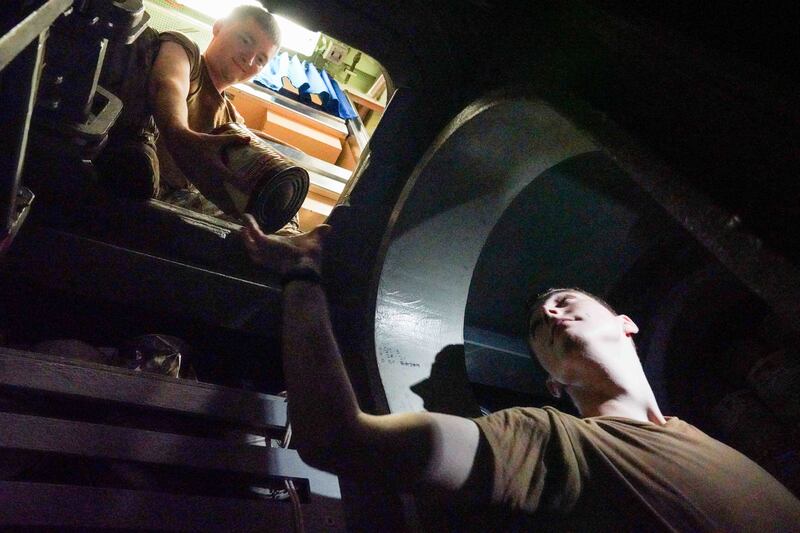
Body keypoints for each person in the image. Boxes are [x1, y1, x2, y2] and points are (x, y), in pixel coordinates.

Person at [241, 216, 800, 531]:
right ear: (554, 384)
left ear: (627, 324)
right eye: (538, 327)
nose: (551, 314)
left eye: (564, 302)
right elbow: (339, 438)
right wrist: (302, 276)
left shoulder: (707, 437)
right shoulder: (549, 440)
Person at [98, 5, 298, 229]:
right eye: (245, 40)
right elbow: (169, 83)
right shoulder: (187, 52)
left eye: (261, 59)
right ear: (219, 27)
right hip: (135, 181)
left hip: (174, 212)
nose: (249, 59)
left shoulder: (233, 120)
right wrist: (179, 133)